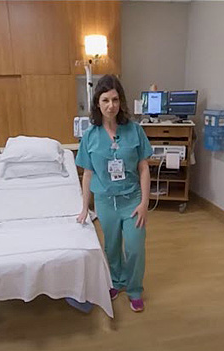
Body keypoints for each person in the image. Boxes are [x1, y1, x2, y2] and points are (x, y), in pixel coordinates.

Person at [75, 74, 152, 312]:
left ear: (121, 102)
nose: (111, 105)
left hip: (132, 200)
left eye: (116, 99)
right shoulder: (89, 136)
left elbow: (143, 168)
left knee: (135, 247)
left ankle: (135, 289)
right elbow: (87, 174)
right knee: (111, 246)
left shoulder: (135, 130)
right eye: (106, 100)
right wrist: (84, 208)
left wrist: (144, 203)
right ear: (98, 103)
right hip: (105, 202)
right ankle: (117, 281)